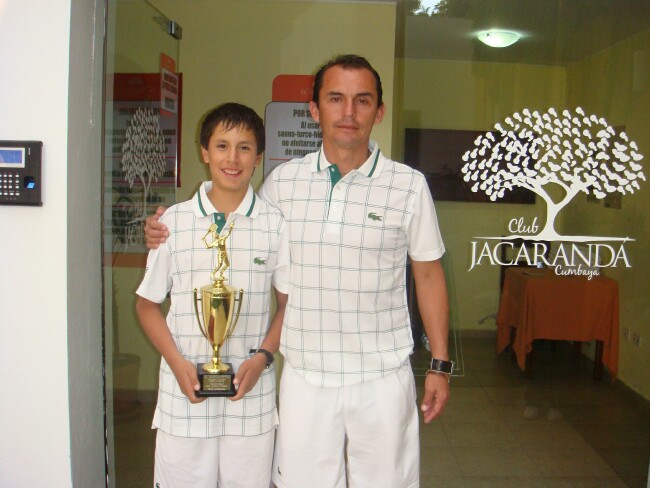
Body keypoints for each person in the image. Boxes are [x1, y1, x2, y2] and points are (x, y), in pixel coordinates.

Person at [145, 55, 450, 488]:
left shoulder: (408, 185)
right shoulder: (282, 184)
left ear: (378, 112)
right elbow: (231, 228)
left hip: (382, 376)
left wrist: (439, 363)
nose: (349, 112)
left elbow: (429, 275)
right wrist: (164, 228)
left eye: (362, 101)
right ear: (314, 109)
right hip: (305, 376)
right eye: (335, 99)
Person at [136, 102, 289, 488]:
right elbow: (147, 304)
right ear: (204, 152)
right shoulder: (173, 223)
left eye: (244, 147)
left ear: (258, 156)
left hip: (249, 399)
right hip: (183, 398)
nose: (232, 158)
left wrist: (263, 359)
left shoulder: (275, 226)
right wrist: (177, 363)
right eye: (221, 146)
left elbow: (288, 305)